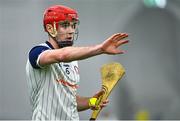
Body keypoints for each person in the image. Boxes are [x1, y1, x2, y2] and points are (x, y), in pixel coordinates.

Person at [26, 4, 129, 120]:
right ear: (50, 29)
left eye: (73, 25)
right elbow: (62, 55)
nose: (71, 31)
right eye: (65, 25)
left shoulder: (73, 60)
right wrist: (101, 49)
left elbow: (69, 100)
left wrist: (91, 101)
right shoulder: (37, 52)